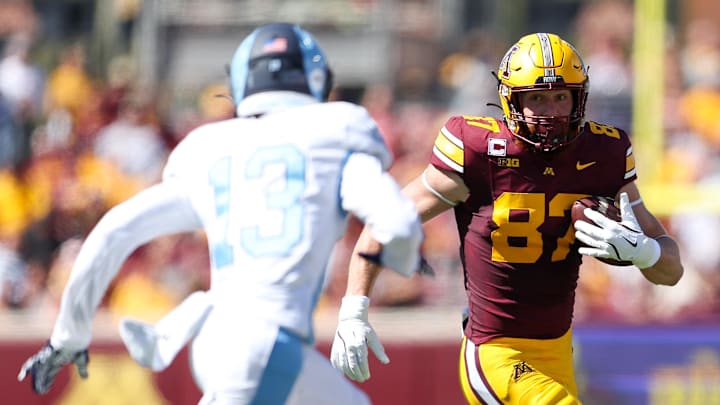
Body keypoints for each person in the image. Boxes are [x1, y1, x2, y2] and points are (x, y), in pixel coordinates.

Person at [17, 22, 424, 405]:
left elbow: (114, 230)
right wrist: (404, 258)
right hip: (263, 342)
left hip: (220, 338)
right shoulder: (336, 135)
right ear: (317, 79)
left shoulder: (213, 150)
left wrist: (68, 335)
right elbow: (400, 222)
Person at [330, 32, 684, 404]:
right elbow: (388, 220)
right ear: (511, 100)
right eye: (537, 98)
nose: (551, 112)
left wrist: (645, 252)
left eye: (561, 96)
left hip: (558, 350)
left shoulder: (604, 154)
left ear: (579, 97)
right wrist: (354, 309)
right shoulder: (481, 151)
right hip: (496, 352)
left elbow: (672, 271)